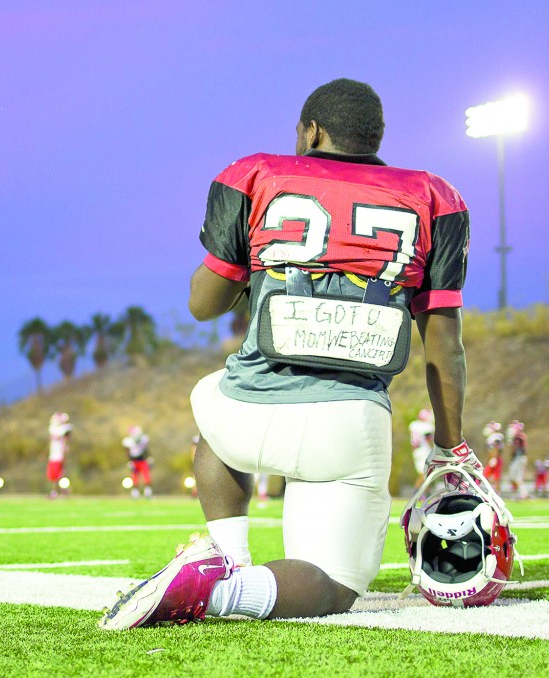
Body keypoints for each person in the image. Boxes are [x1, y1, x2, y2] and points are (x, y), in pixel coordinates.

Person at [99, 78, 475, 629]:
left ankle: (223, 555)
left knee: (213, 406)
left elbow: (203, 305)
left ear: (312, 130)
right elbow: (444, 343)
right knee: (332, 582)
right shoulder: (431, 196)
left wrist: (256, 269)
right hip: (347, 425)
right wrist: (449, 444)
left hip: (244, 418)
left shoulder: (257, 176)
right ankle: (224, 593)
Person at [122, 426, 152, 499]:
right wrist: (129, 461)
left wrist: (149, 457)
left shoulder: (143, 439)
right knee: (134, 477)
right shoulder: (128, 441)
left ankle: (147, 492)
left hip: (143, 460)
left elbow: (146, 449)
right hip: (134, 461)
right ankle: (135, 493)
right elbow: (127, 452)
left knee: (146, 476)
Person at [47, 412, 72, 499]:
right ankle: (63, 491)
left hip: (59, 456)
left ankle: (60, 491)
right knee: (55, 476)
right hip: (54, 455)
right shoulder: (54, 428)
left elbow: (66, 439)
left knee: (59, 475)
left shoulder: (64, 429)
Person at [408, 408, 434, 486]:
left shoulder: (413, 424)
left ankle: (424, 493)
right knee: (424, 473)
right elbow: (429, 439)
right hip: (424, 450)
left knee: (426, 474)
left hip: (416, 450)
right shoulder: (428, 426)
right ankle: (417, 492)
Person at [506, 420, 529, 499]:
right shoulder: (519, 436)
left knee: (516, 476)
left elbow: (514, 449)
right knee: (514, 476)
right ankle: (520, 492)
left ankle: (523, 493)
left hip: (519, 458)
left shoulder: (518, 437)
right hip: (518, 458)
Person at [482, 421, 503, 491]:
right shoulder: (493, 437)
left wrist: (494, 458)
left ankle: (496, 491)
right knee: (489, 476)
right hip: (493, 458)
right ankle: (494, 490)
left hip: (495, 458)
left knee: (492, 476)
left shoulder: (496, 437)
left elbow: (496, 447)